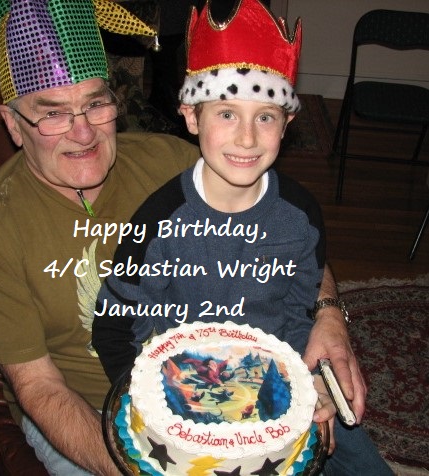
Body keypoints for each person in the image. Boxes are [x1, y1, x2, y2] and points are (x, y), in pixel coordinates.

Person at [0, 0, 367, 474]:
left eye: (95, 104)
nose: (83, 132)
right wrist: (147, 464)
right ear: (12, 124)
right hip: (88, 409)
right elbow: (40, 388)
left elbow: (285, 238)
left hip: (230, 386)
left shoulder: (173, 160)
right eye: (53, 114)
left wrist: (329, 317)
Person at [92, 1, 393, 475]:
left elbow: (298, 313)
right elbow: (113, 325)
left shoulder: (301, 217)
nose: (248, 139)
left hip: (279, 392)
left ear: (288, 124)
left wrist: (312, 383)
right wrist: (150, 408)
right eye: (227, 113)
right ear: (191, 117)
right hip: (192, 402)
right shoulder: (157, 223)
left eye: (266, 117)